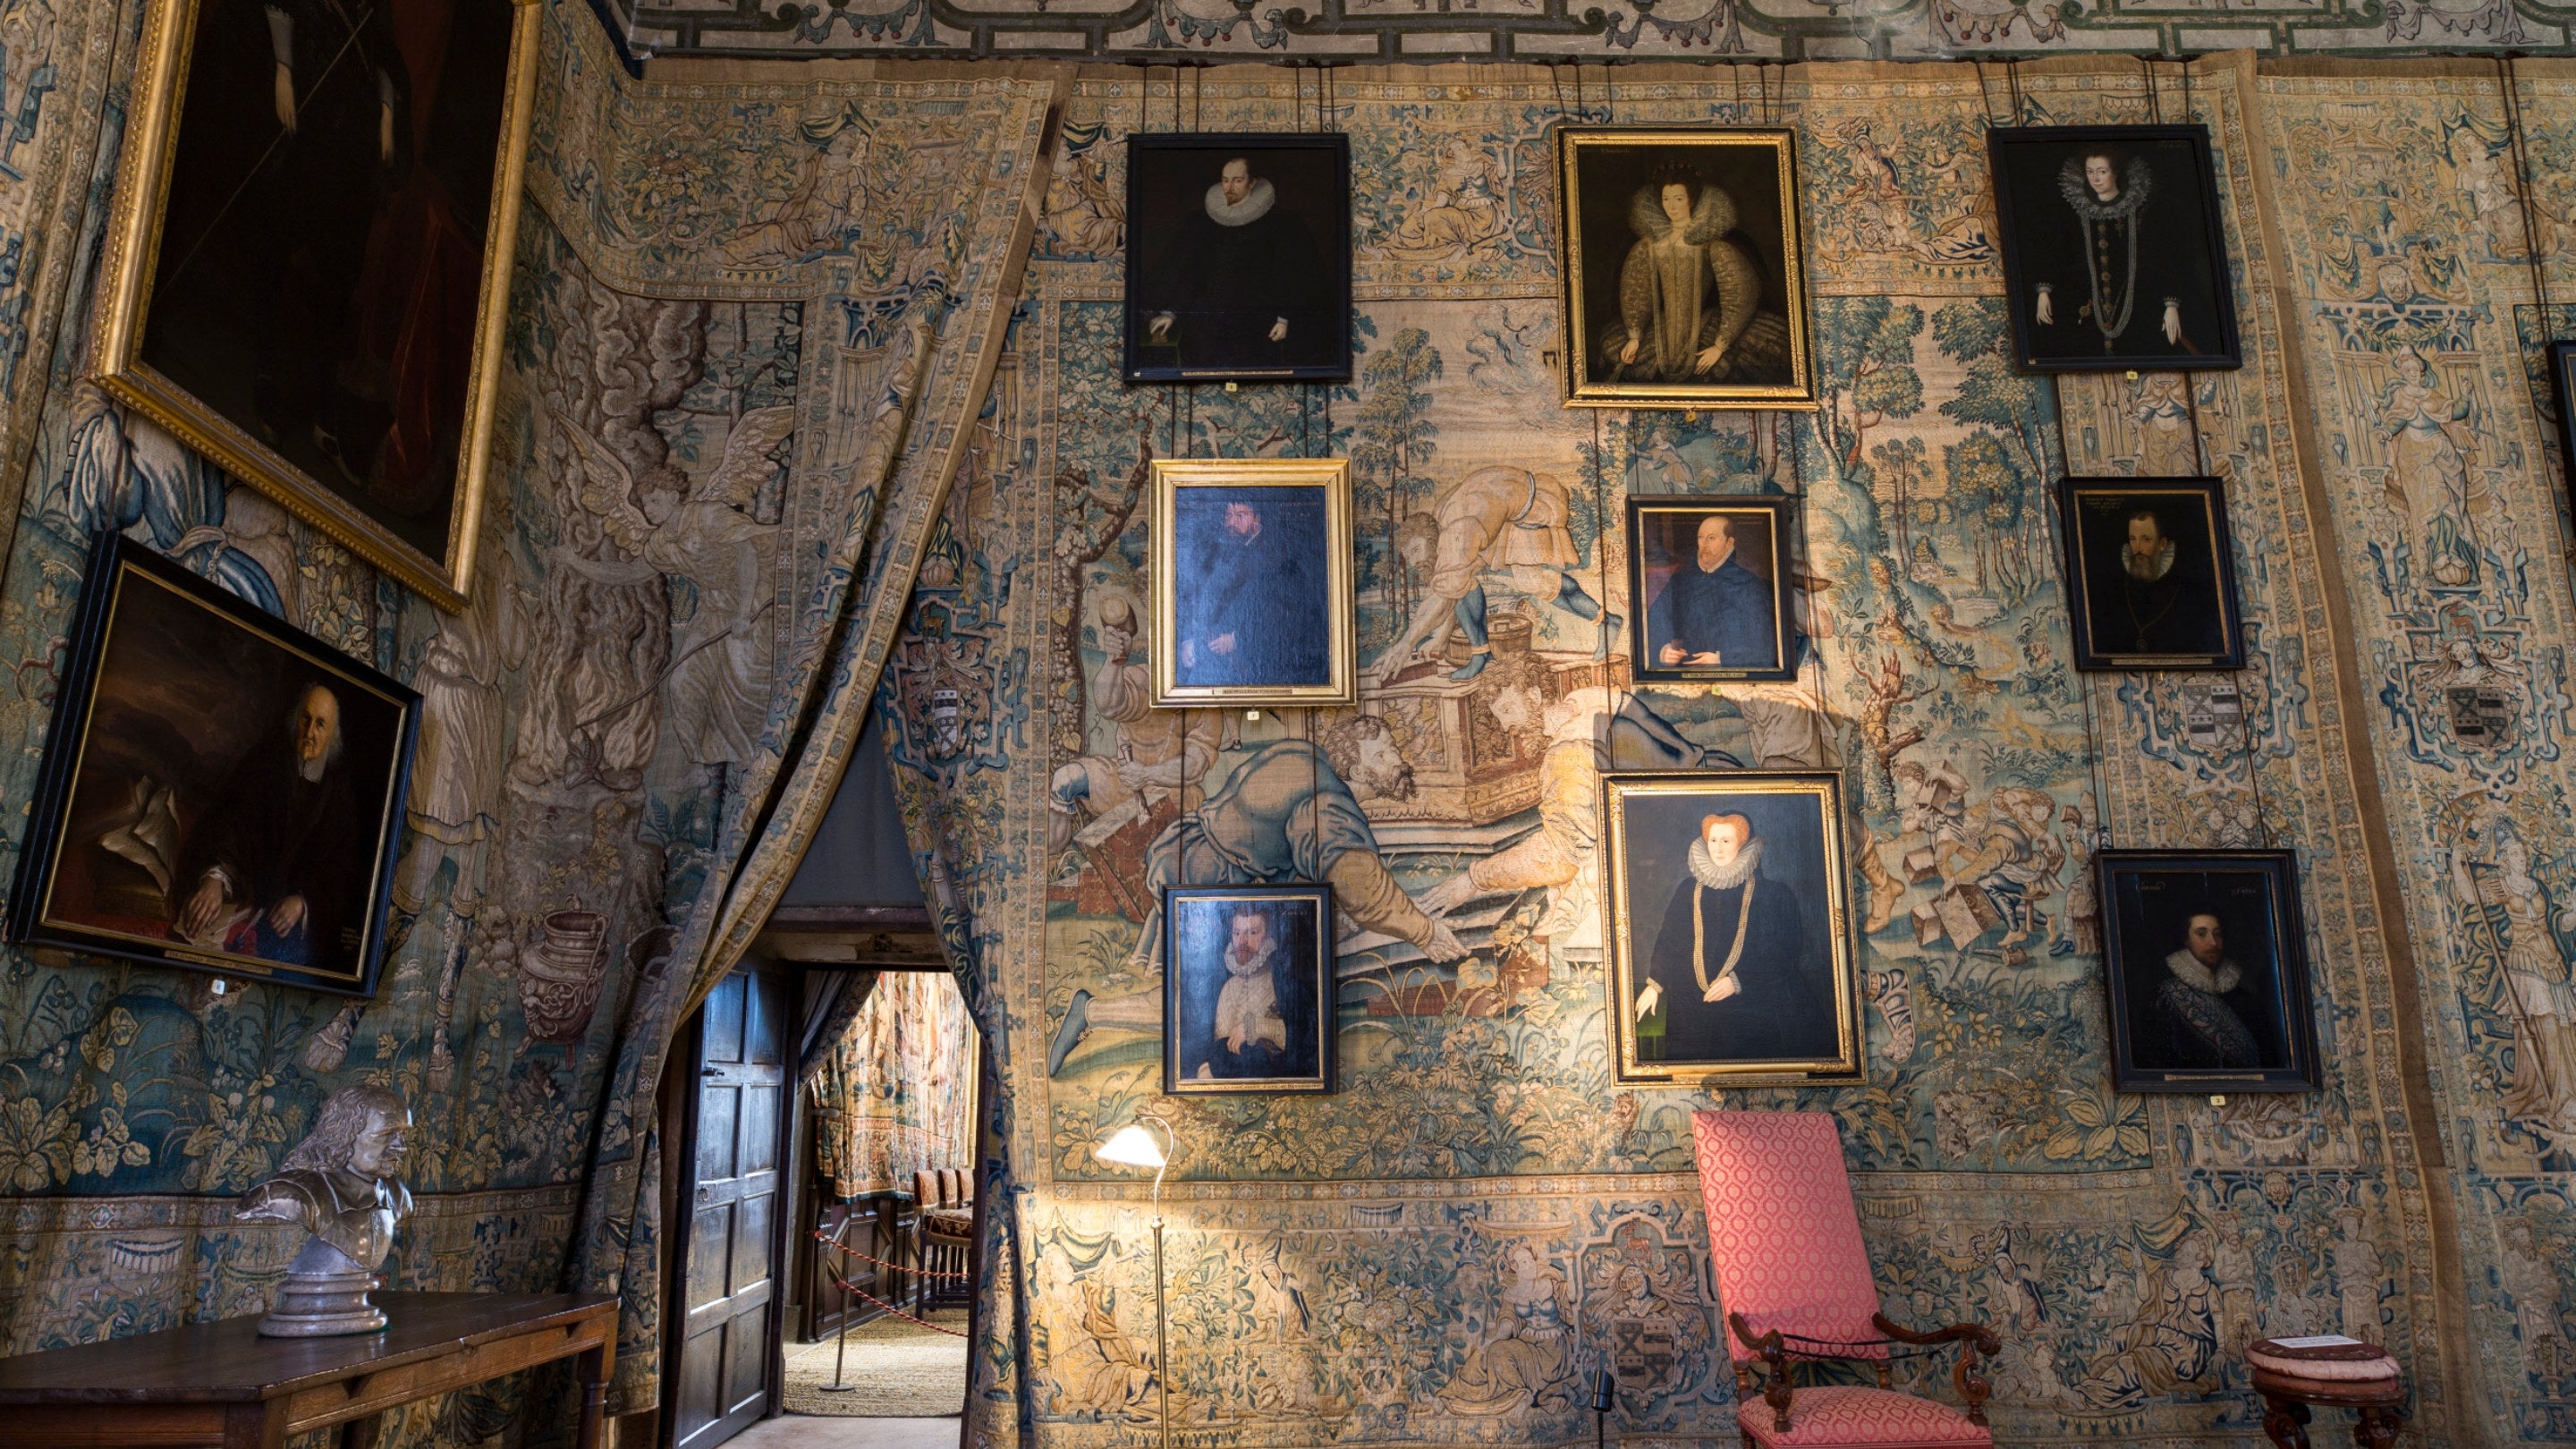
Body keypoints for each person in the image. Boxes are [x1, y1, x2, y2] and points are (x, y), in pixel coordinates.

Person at [1048, 716, 1466, 1075]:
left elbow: (1298, 864)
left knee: (1223, 1003)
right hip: (1211, 890)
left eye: (1391, 750)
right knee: (1203, 1010)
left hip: (1202, 872)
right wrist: (1424, 931)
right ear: (1355, 767)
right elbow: (1357, 881)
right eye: (1382, 755)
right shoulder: (1325, 801)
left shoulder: (1306, 761)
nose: (1397, 761)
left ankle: (1094, 1012)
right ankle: (1091, 1012)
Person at [176, 682, 367, 971]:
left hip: (287, 923)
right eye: (306, 718)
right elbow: (230, 821)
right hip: (244, 897)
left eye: (320, 724)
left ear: (332, 736)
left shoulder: (340, 795)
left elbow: (342, 871)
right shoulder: (267, 762)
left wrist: (304, 902)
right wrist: (215, 878)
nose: (309, 731)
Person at [1372, 466, 1619, 682]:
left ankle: (1606, 621)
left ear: (1427, 538)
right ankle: (1481, 654)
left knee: (1533, 581)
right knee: (1463, 578)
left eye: (1416, 550)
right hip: (1507, 514)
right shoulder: (1441, 522)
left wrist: (1405, 644)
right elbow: (1453, 586)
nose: (1415, 561)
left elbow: (1443, 597)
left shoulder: (1458, 529)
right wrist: (1441, 638)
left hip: (1536, 504)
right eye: (1410, 555)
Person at [1633, 813, 1832, 1063]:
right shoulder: (1687, 891)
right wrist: (1655, 984)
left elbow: (1783, 952)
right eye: (1713, 840)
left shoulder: (1772, 895)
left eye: (1726, 841)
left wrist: (1737, 981)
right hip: (1692, 1009)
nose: (1717, 848)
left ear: (1743, 843)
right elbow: (1670, 939)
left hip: (1751, 1008)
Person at [1593, 174, 1792, 386]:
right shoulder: (1649, 245)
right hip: (1662, 333)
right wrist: (1635, 336)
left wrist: (1720, 346)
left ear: (1692, 200)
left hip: (1707, 328)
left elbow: (1739, 290)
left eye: (1678, 199)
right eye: (1666, 199)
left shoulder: (1710, 244)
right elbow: (1636, 290)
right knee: (1614, 351)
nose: (1672, 206)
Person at [1142, 156, 1332, 372]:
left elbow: (1291, 274)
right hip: (1208, 327)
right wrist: (1171, 313)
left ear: (1253, 183)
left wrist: (1284, 319)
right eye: (1225, 180)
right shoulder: (1200, 222)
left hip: (1257, 326)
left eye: (1237, 181)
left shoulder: (1281, 223)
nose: (1229, 187)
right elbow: (1190, 273)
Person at [2029, 149, 2198, 360]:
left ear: (2115, 173)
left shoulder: (2141, 210)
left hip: (2140, 303)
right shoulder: (2075, 212)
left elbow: (2163, 255)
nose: (2095, 178)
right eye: (2090, 172)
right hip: (2082, 306)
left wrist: (2171, 305)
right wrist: (2044, 291)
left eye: (2102, 171)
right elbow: (2056, 251)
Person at [234, 1083, 413, 1272]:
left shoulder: (397, 1195)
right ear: (346, 1133)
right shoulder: (290, 1196)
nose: (401, 1146)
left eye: (403, 1134)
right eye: (387, 1133)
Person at [1175, 496, 1327, 689]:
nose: (1231, 523)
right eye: (1228, 515)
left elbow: (1289, 616)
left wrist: (1238, 639)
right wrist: (1189, 640)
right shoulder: (1215, 550)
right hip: (1214, 657)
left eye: (1240, 515)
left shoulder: (1278, 555)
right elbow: (1197, 598)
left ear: (1257, 519)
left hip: (1266, 662)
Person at [1646, 513, 1782, 671]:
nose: (1704, 544)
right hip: (1685, 673)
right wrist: (1662, 651)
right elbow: (1654, 621)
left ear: (1729, 543)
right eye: (1701, 537)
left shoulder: (1751, 585)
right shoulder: (1681, 580)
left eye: (1711, 538)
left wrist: (1722, 659)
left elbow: (1766, 647)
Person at [2138, 907, 2268, 1071]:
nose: (2213, 943)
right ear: (2186, 940)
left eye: (2217, 934)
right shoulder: (2165, 995)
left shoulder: (2245, 998)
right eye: (2201, 934)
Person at [1199, 902, 1315, 1080]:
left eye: (1252, 932)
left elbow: (1303, 1039)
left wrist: (1254, 1027)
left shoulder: (1283, 982)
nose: (1242, 941)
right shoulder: (1228, 987)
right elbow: (1220, 1047)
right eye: (1237, 933)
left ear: (1267, 936)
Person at [2097, 505, 2219, 657]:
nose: (2138, 548)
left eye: (2146, 539)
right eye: (2133, 539)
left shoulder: (2188, 591)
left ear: (2162, 544)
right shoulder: (2113, 591)